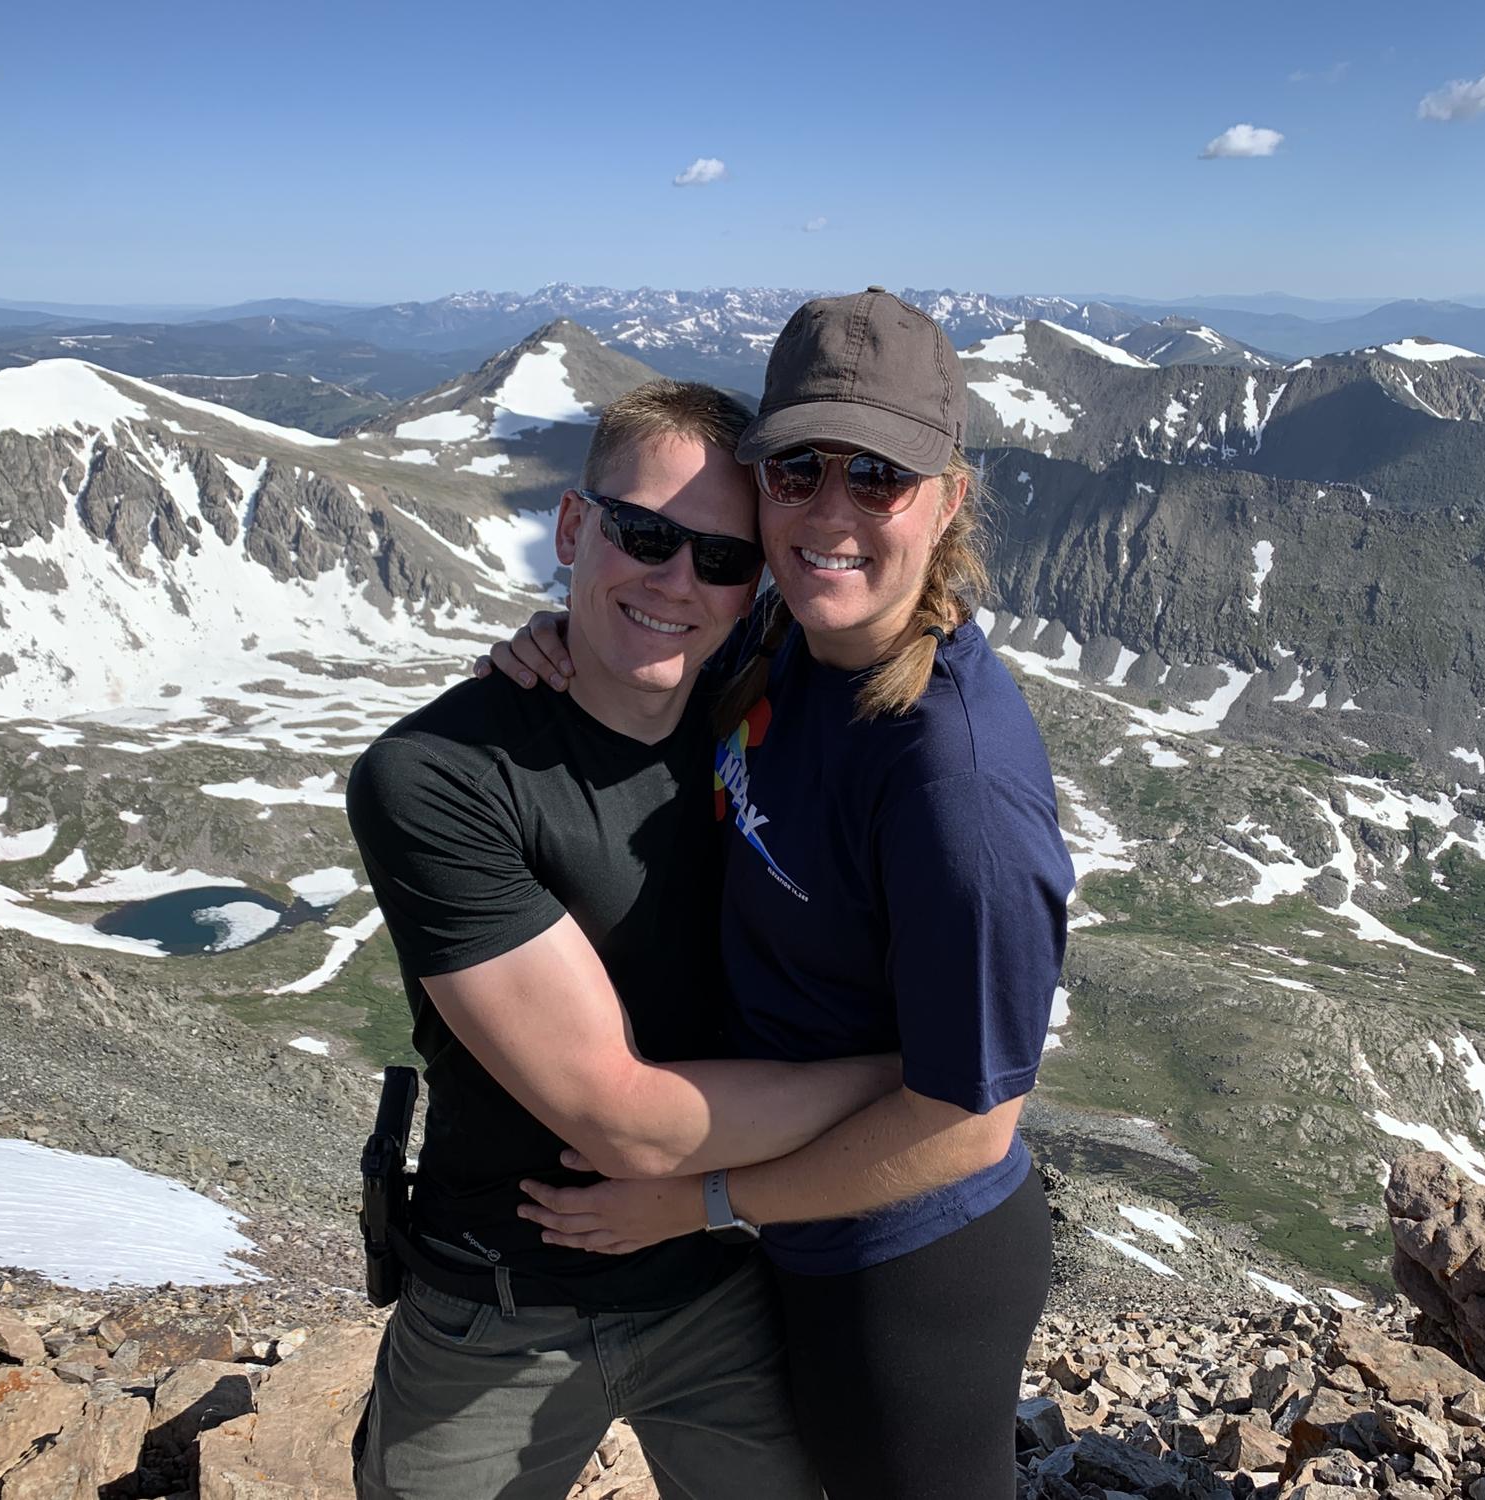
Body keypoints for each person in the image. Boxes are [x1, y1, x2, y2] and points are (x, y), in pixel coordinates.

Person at [488, 290, 1076, 1500]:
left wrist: (700, 1202)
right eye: (796, 468)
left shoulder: (951, 786)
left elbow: (970, 1118)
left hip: (906, 1269)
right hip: (799, 1226)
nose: (828, 513)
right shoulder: (783, 630)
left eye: (878, 476)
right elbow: (658, 618)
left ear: (947, 500)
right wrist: (557, 642)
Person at [346, 379, 902, 1500]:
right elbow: (624, 1122)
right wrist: (918, 1079)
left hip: (724, 1288)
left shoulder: (762, 718)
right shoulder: (436, 778)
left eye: (720, 560)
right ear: (570, 526)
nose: (674, 580)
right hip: (494, 1313)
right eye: (643, 535)